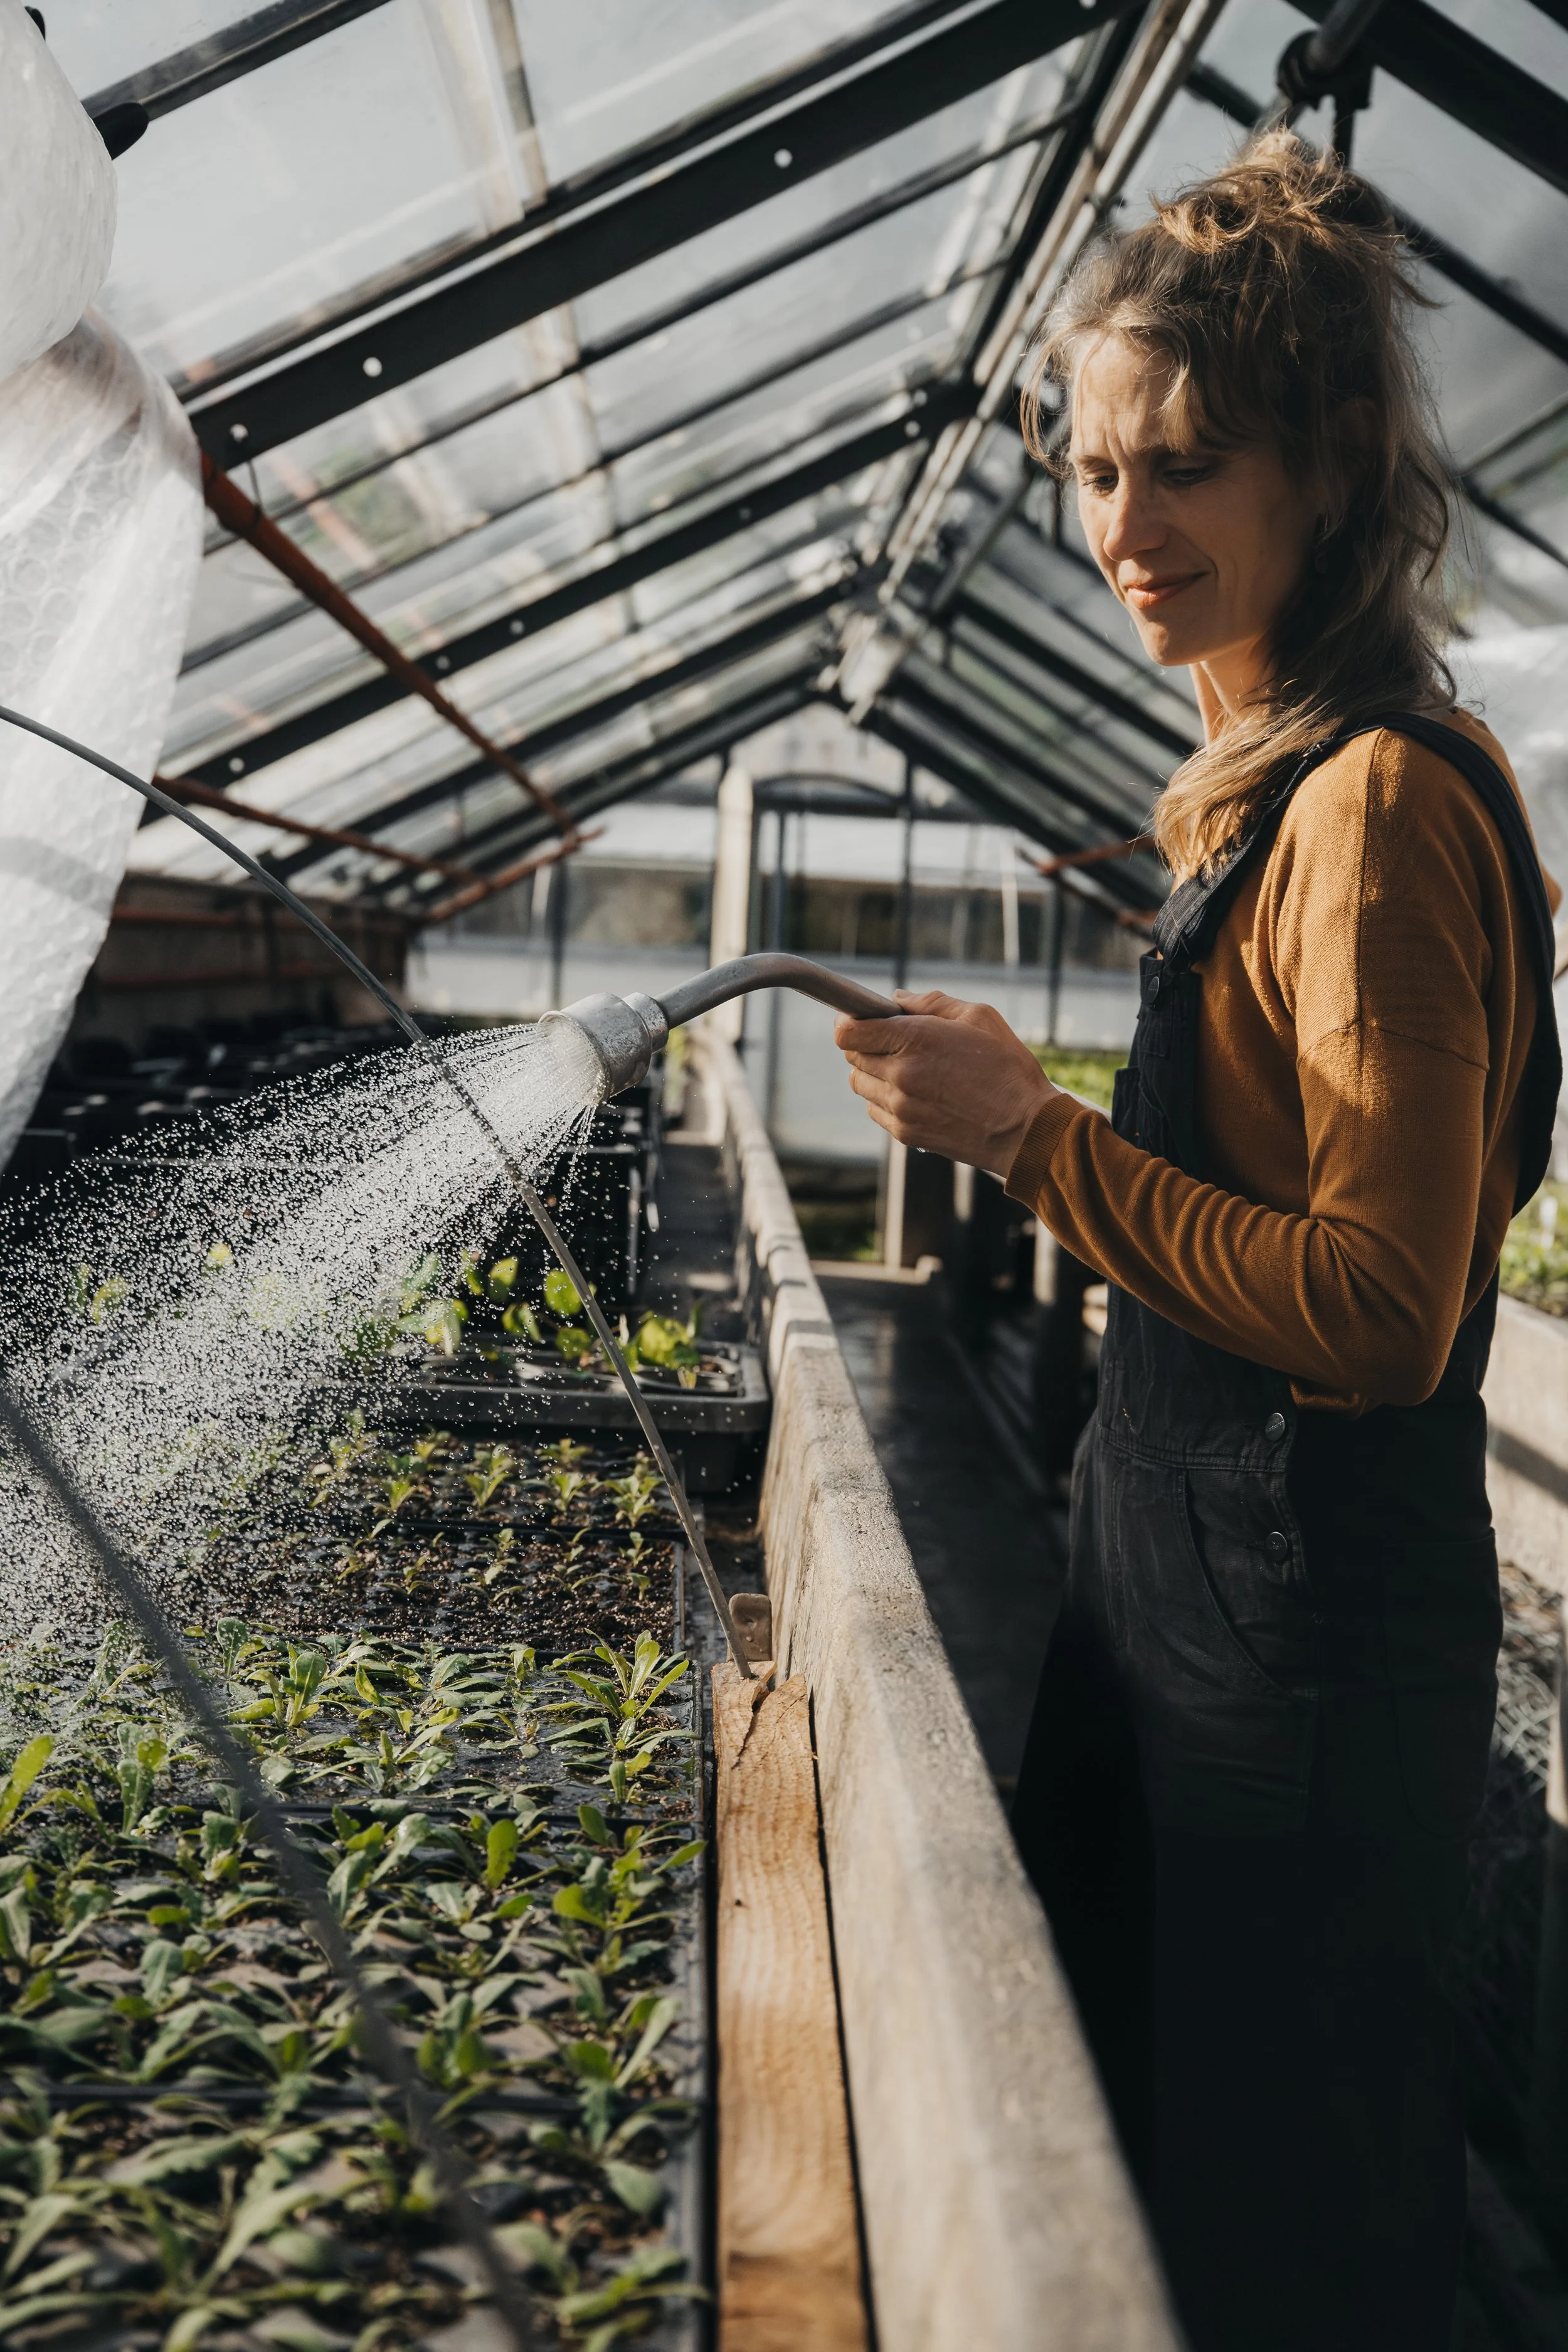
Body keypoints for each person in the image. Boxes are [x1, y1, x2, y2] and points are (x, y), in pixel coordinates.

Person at [834, 134, 1562, 2352]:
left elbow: (1380, 1307)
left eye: (1188, 470)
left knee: (1286, 2234)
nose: (1125, 531)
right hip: (1184, 1603)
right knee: (1146, 2169)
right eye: (1093, 469)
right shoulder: (1267, 781)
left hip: (1308, 1657)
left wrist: (1037, 1145)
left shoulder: (1367, 812)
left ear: (1331, 469)